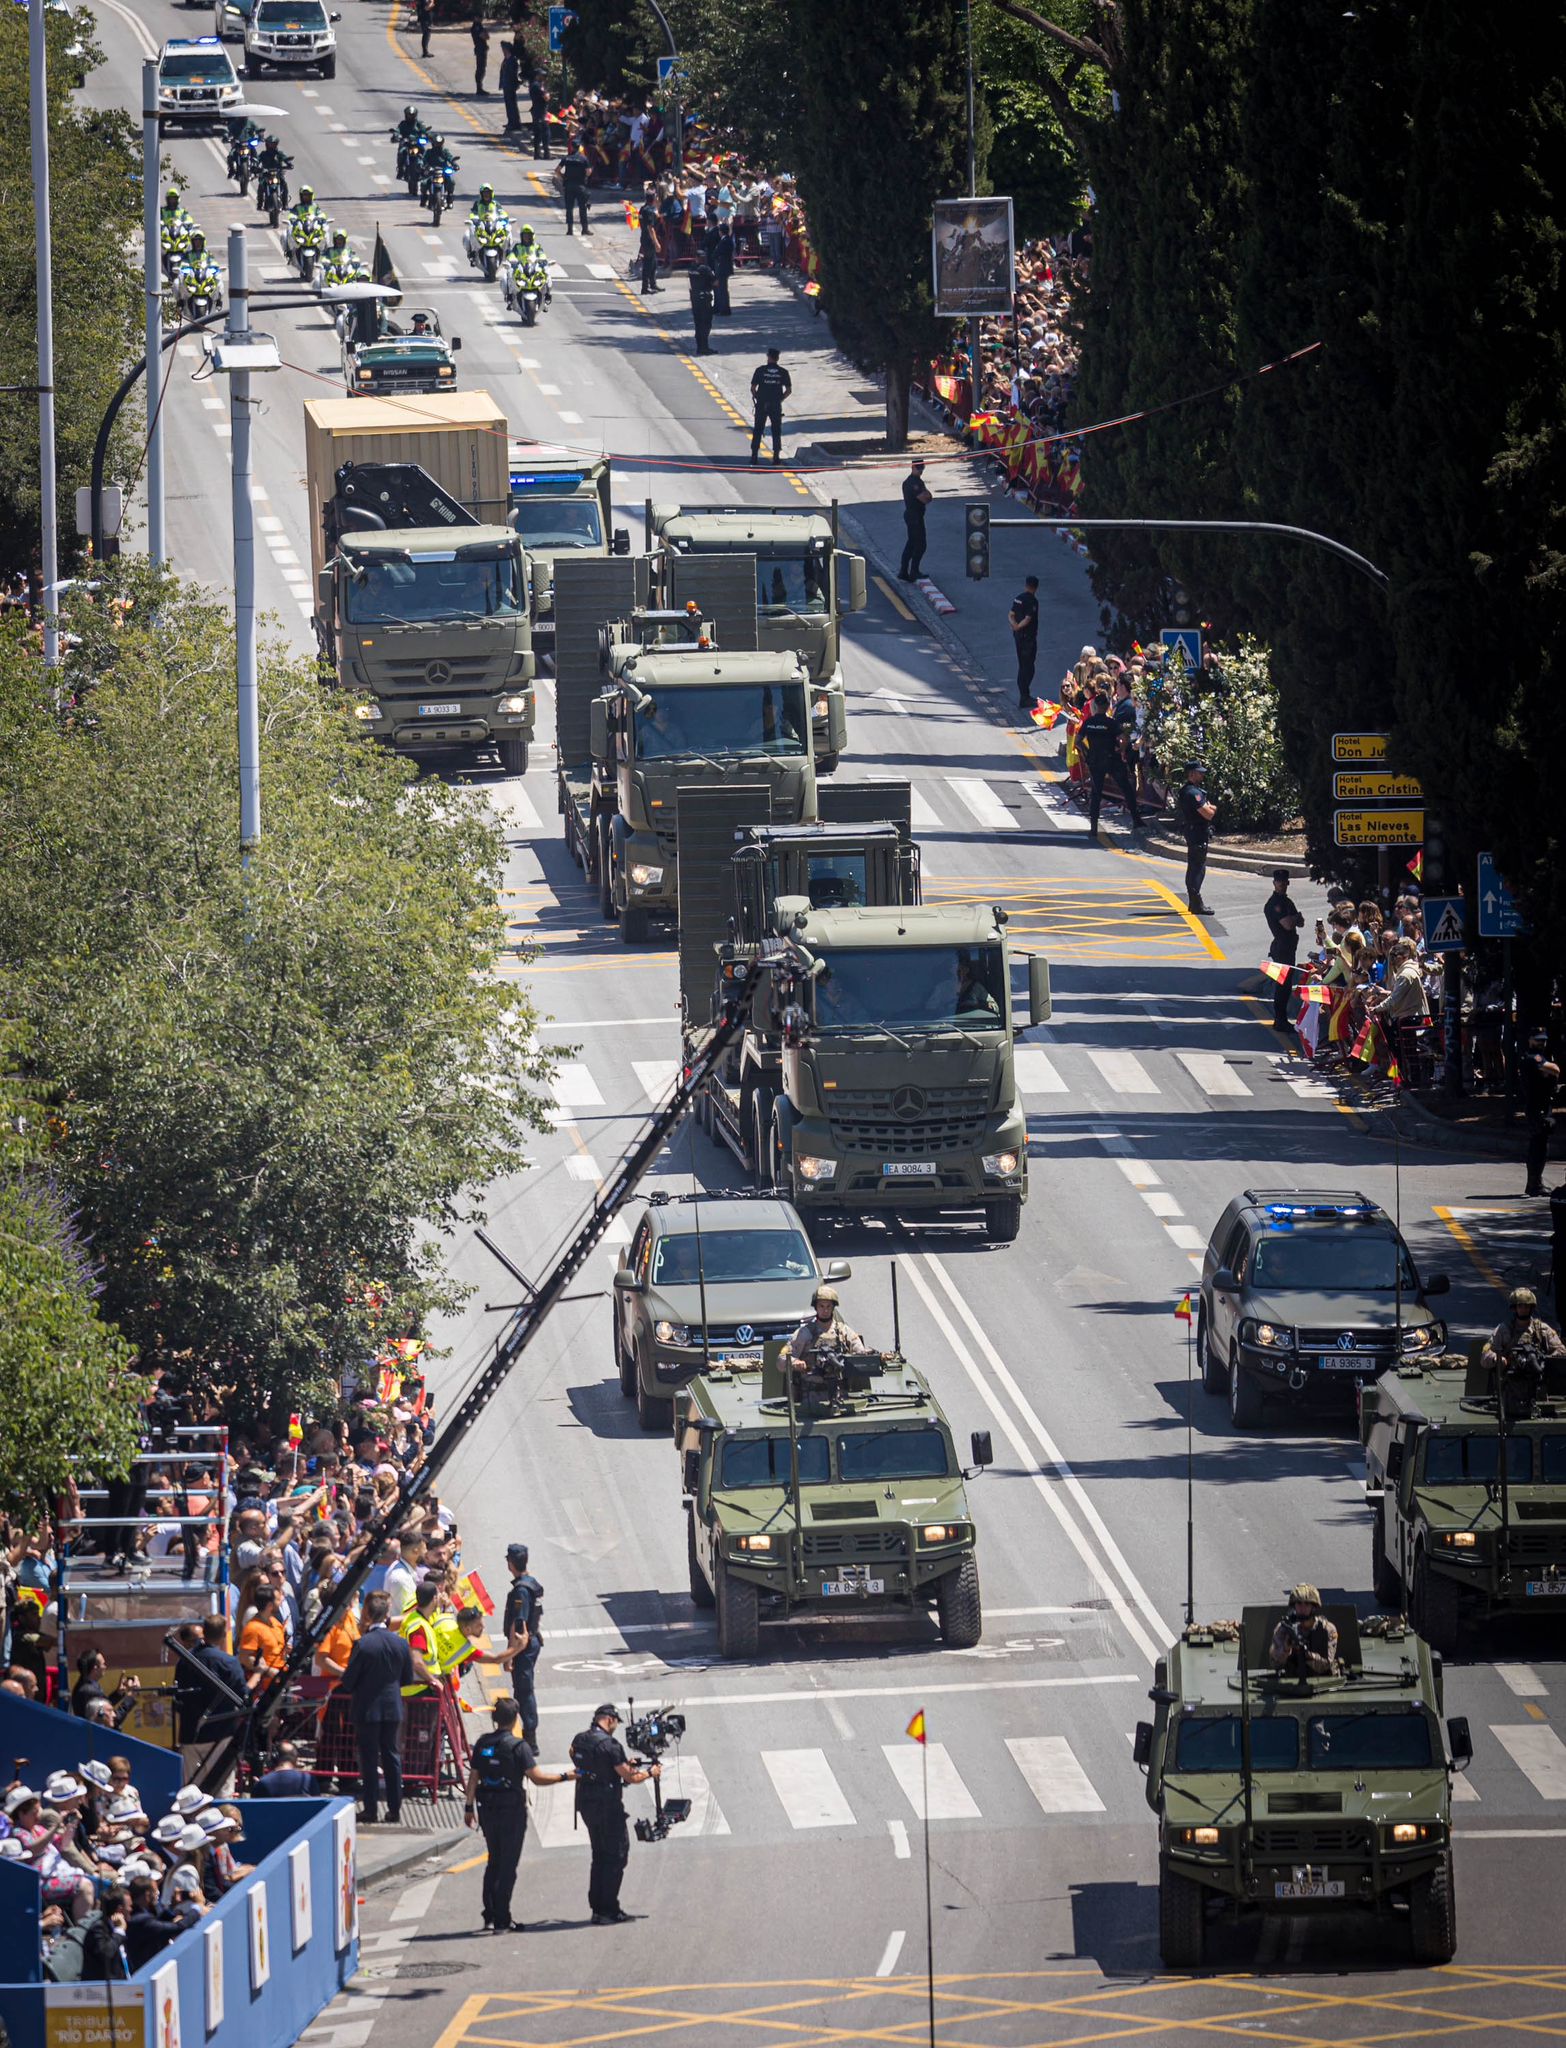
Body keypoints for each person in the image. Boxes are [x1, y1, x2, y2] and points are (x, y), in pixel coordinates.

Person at [464, 1695, 576, 1932]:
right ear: (515, 1719)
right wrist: (566, 1776)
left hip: (487, 1809)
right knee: (508, 1864)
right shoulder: (519, 1747)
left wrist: (468, 1806)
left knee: (494, 1859)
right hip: (511, 1811)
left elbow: (473, 1777)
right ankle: (503, 1918)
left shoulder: (483, 1743)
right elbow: (537, 1778)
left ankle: (490, 1914)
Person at [569, 1704, 659, 1925]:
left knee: (599, 1855)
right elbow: (631, 1778)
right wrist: (650, 1772)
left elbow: (577, 1756)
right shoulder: (610, 1745)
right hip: (607, 1808)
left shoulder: (580, 1739)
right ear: (609, 1719)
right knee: (617, 1855)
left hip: (587, 1805)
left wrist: (618, 1766)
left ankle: (597, 1907)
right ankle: (608, 1909)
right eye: (616, 1722)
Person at [338, 1591, 419, 1825]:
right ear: (386, 1615)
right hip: (393, 1708)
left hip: (367, 1709)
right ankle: (395, 1809)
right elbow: (406, 1678)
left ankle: (371, 1808)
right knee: (392, 1758)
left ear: (368, 1614)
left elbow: (349, 1680)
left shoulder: (363, 1645)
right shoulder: (400, 1643)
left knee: (369, 1760)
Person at [501, 1543, 545, 1749]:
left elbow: (519, 1625)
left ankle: (530, 1737)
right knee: (522, 1688)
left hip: (524, 1647)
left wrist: (509, 1655)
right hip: (533, 1641)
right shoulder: (531, 1583)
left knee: (524, 1689)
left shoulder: (521, 1590)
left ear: (511, 1563)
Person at [1481, 1287, 1566, 1373]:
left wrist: (1545, 1360)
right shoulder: (1503, 1329)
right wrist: (1497, 1359)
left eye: (1526, 1306)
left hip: (1538, 1378)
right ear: (1515, 1308)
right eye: (1520, 1306)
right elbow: (1485, 1356)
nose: (1523, 1309)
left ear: (1531, 1308)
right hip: (1510, 1380)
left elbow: (1561, 1351)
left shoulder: (1542, 1329)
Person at [1521, 1028, 1560, 1197]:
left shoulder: (1538, 1056)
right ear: (1530, 1040)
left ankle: (1534, 1183)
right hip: (1537, 1107)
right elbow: (1555, 1069)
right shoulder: (1532, 1057)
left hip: (1540, 1105)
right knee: (1538, 1147)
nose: (1541, 1043)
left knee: (1539, 1146)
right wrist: (1552, 1070)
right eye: (1538, 1040)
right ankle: (1534, 1184)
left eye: (1543, 1040)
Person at [1268, 1584, 1338, 1677]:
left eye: (1307, 1604)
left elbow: (1326, 1665)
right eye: (1299, 1604)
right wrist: (1286, 1649)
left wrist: (1306, 1654)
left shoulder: (1327, 1629)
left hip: (1323, 1682)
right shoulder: (1284, 1629)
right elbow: (1275, 1663)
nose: (1302, 1608)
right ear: (1294, 1606)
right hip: (1292, 1682)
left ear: (1313, 1607)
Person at [789, 1285, 866, 1367]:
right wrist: (795, 1363)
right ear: (816, 1307)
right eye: (821, 1306)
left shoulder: (843, 1331)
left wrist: (878, 1357)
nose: (825, 1310)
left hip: (841, 1378)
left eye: (828, 1306)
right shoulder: (805, 1333)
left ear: (833, 1308)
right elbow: (783, 1359)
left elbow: (861, 1354)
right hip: (811, 1379)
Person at [1177, 761, 1217, 915]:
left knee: (1195, 866)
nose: (1202, 775)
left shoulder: (1187, 790)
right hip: (1197, 833)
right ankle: (1196, 903)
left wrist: (1209, 807)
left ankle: (1194, 902)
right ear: (1191, 774)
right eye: (1199, 772)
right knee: (1197, 868)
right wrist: (1212, 808)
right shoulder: (1193, 793)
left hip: (1194, 831)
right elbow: (1208, 813)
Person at [1265, 869, 1302, 1030]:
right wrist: (1295, 918)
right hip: (1281, 948)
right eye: (1279, 882)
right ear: (1274, 883)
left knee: (1285, 986)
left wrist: (1295, 919)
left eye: (1284, 882)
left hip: (1288, 947)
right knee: (1282, 985)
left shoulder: (1287, 902)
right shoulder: (1275, 904)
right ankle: (1280, 1019)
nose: (1282, 885)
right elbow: (1288, 924)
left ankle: (1282, 1019)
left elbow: (1300, 922)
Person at [750, 348, 790, 464]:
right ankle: (776, 457)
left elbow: (753, 388)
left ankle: (754, 456)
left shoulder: (760, 370)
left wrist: (758, 397)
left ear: (768, 357)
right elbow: (788, 390)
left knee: (758, 429)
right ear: (777, 358)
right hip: (775, 404)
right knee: (776, 430)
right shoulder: (783, 372)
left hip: (762, 404)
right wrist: (780, 399)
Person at [1008, 575, 1040, 710]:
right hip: (1028, 638)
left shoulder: (1018, 598)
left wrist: (1014, 626)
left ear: (1026, 585)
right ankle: (1024, 697)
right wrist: (1019, 626)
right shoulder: (1032, 601)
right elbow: (1028, 619)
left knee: (1023, 665)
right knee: (1028, 667)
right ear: (1036, 588)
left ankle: (1024, 695)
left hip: (1018, 637)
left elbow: (1010, 614)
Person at [899, 459, 931, 581]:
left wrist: (928, 496)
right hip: (914, 516)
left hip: (916, 515)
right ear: (912, 467)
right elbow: (925, 498)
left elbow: (928, 496)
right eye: (919, 469)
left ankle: (904, 571)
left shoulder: (917, 481)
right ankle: (913, 570)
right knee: (920, 545)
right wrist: (927, 496)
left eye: (922, 468)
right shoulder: (913, 483)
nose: (921, 471)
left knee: (912, 544)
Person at [556, 141, 590, 235]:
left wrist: (563, 177)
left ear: (572, 147)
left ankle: (570, 230)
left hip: (569, 185)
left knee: (569, 208)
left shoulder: (567, 158)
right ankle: (584, 229)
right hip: (580, 186)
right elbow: (588, 172)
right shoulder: (583, 158)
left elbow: (557, 170)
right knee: (582, 208)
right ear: (579, 147)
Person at [689, 258, 715, 354]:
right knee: (705, 324)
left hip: (695, 298)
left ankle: (699, 347)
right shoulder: (705, 269)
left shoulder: (691, 268)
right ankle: (704, 347)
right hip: (704, 299)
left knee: (698, 323)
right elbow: (715, 282)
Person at [711, 225, 735, 316]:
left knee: (723, 289)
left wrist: (715, 254)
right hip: (722, 267)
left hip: (723, 267)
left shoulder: (726, 241)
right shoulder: (724, 240)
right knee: (721, 289)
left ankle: (725, 309)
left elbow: (718, 252)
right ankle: (722, 307)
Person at [637, 208, 661, 295]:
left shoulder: (643, 210)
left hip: (644, 237)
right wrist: (656, 243)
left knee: (654, 263)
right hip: (648, 239)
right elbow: (650, 228)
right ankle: (645, 288)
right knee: (648, 264)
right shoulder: (649, 211)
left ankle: (653, 284)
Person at [498, 40, 521, 131]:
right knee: (508, 105)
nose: (502, 51)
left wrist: (514, 84)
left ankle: (515, 123)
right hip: (506, 85)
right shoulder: (506, 59)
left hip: (510, 85)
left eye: (503, 49)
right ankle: (510, 122)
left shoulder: (512, 60)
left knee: (512, 105)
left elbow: (513, 74)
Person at [529, 73, 549, 159]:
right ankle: (545, 153)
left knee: (537, 134)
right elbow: (546, 97)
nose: (544, 77)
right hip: (540, 112)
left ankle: (537, 154)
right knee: (545, 133)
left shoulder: (534, 85)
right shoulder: (537, 86)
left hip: (537, 111)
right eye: (542, 76)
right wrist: (547, 92)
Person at [470, 13, 490, 94]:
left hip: (482, 49)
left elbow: (487, 37)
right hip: (480, 49)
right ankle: (479, 88)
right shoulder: (476, 27)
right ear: (475, 18)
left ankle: (480, 87)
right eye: (479, 17)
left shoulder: (480, 26)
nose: (481, 19)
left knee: (482, 68)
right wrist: (485, 33)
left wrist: (485, 33)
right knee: (480, 68)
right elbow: (484, 36)